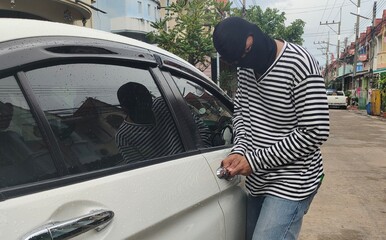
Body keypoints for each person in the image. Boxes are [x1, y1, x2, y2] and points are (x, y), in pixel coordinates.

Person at [212, 17, 330, 240]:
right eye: (239, 60)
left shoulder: (300, 63)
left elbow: (315, 131)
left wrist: (254, 161)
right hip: (258, 178)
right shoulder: (245, 69)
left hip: (294, 179)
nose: (246, 60)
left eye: (248, 50)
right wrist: (239, 150)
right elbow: (243, 117)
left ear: (253, 32)